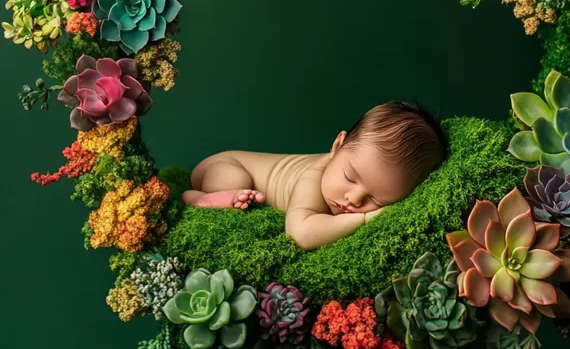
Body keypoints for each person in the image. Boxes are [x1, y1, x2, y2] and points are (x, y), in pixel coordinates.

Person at [181, 100, 448, 250]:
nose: (353, 199)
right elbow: (301, 233)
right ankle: (201, 199)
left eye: (377, 199)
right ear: (337, 147)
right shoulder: (314, 176)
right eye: (350, 177)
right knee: (236, 182)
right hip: (226, 166)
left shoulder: (342, 181)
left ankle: (207, 196)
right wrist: (366, 218)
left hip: (228, 173)